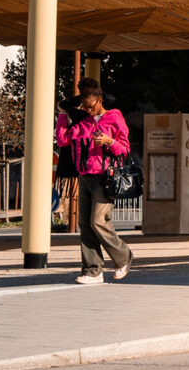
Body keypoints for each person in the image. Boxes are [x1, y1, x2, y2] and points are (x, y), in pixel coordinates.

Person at [55, 78, 132, 284]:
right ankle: (93, 271)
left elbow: (125, 149)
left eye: (90, 106)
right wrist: (62, 115)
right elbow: (63, 140)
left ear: (99, 100)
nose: (87, 110)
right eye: (84, 107)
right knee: (85, 225)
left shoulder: (114, 118)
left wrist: (110, 141)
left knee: (98, 221)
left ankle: (124, 257)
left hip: (105, 177)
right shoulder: (83, 123)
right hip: (84, 177)